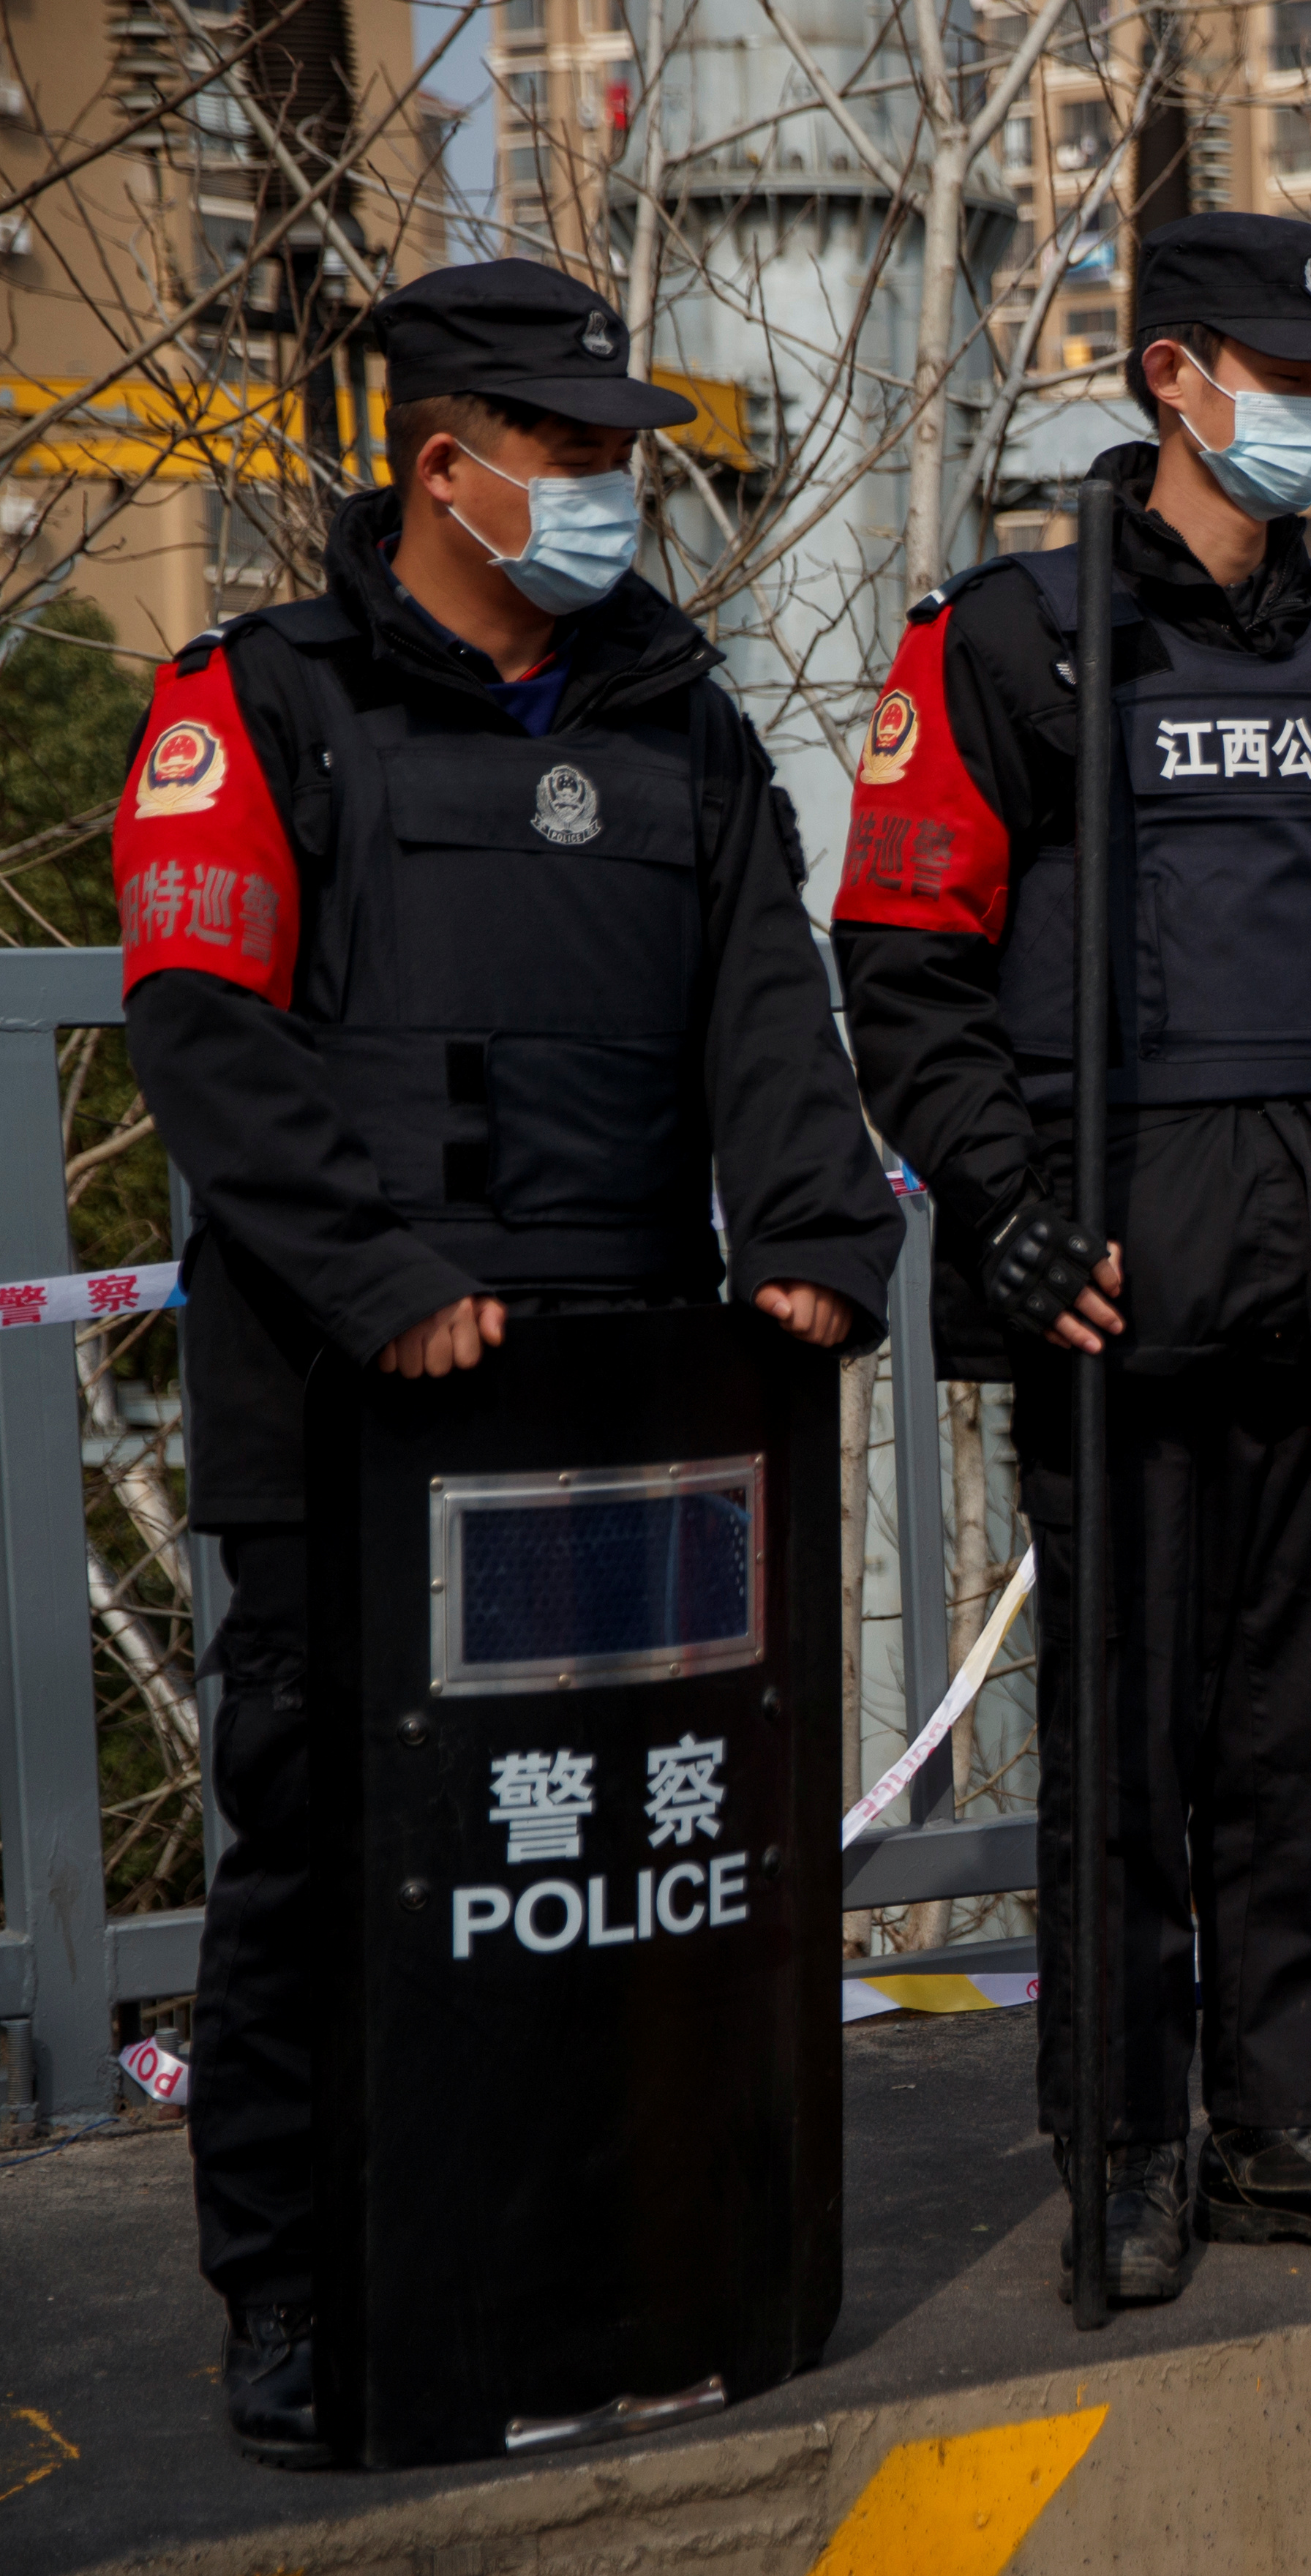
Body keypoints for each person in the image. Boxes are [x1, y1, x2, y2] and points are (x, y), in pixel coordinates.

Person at [111, 259, 903, 2462]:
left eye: (616, 453)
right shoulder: (260, 706)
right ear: (440, 467)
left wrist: (822, 1238)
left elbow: (767, 1001)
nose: (606, 490)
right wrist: (377, 1274)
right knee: (333, 1862)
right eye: (563, 453)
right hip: (361, 1405)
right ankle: (296, 2288)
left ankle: (622, 2253)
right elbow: (205, 1028)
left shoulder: (677, 714)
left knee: (626, 1862)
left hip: (624, 1406)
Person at [834, 213, 1311, 2304]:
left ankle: (1281, 2125)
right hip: (1114, 1273)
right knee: (1125, 1747)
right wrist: (1003, 1204)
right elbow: (903, 962)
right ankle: (1127, 2144)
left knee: (1307, 1739)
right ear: (1173, 377)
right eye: (1280, 376)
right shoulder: (1013, 643)